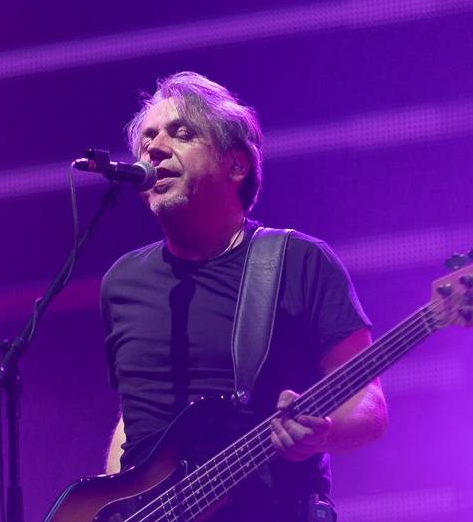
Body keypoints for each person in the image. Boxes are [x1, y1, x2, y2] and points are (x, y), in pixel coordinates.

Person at [100, 72, 387, 521]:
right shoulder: (122, 282)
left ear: (236, 166)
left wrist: (323, 432)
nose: (153, 149)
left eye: (181, 133)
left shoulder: (298, 261)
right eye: (147, 140)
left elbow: (368, 404)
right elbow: (132, 419)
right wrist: (115, 505)